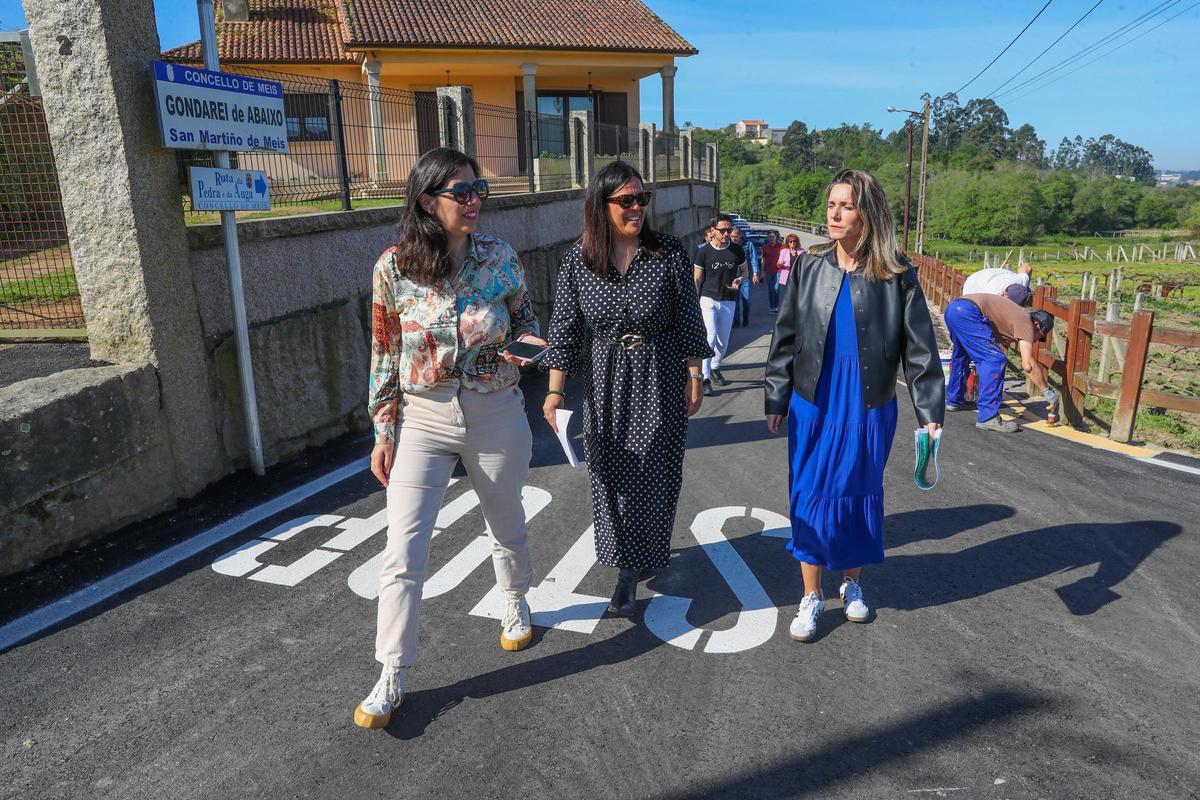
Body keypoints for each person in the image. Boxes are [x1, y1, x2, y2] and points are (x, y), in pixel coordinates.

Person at [356, 148, 547, 729]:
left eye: (478, 189)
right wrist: (383, 428)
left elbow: (530, 321)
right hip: (424, 415)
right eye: (460, 192)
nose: (474, 201)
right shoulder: (393, 268)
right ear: (426, 200)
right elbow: (384, 352)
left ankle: (514, 598)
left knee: (504, 520)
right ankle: (392, 668)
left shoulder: (500, 258)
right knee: (404, 549)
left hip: (495, 411)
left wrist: (529, 346)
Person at [764, 169, 944, 642]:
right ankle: (810, 595)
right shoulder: (808, 265)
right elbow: (786, 336)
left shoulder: (897, 274)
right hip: (813, 399)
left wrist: (930, 416)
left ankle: (852, 585)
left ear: (869, 213)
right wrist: (776, 394)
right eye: (831, 205)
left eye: (846, 205)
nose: (835, 214)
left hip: (868, 402)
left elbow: (920, 351)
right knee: (809, 491)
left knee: (858, 491)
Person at [542, 161, 712, 618]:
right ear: (601, 205)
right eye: (626, 200)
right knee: (610, 475)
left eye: (642, 199)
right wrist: (555, 392)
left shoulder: (669, 252)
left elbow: (689, 320)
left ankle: (633, 567)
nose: (637, 207)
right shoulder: (578, 260)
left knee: (655, 474)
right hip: (605, 381)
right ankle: (623, 560)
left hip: (660, 375)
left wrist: (694, 376)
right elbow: (565, 330)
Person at [944, 293, 1056, 432]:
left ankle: (954, 400)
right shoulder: (1026, 322)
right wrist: (1046, 391)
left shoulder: (1016, 315)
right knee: (994, 360)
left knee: (962, 356)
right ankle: (988, 417)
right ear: (1037, 325)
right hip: (968, 313)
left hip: (954, 309)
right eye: (1039, 337)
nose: (1035, 340)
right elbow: (1028, 365)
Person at [694, 214, 749, 396]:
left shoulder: (737, 250)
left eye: (729, 229)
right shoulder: (703, 251)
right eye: (722, 230)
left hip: (728, 299)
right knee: (710, 336)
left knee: (723, 341)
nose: (726, 233)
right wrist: (693, 300)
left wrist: (740, 280)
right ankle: (706, 378)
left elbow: (744, 271)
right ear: (713, 230)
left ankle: (716, 367)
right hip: (707, 299)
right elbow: (697, 277)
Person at [730, 225, 760, 328]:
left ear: (740, 235)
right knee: (735, 301)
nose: (734, 238)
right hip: (733, 277)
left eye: (736, 236)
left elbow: (753, 259)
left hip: (745, 277)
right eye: (732, 236)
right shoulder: (728, 245)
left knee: (746, 300)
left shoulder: (748, 244)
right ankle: (736, 320)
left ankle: (746, 317)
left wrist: (755, 273)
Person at [962, 260, 1032, 296]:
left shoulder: (1020, 281)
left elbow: (1027, 266)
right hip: (973, 282)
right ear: (1005, 294)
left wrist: (1026, 288)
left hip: (984, 277)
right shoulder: (993, 294)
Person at [760, 230, 784, 313]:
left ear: (776, 237)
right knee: (771, 289)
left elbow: (786, 257)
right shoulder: (765, 248)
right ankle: (772, 307)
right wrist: (762, 272)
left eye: (773, 237)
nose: (772, 238)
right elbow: (763, 260)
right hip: (769, 271)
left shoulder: (781, 246)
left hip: (779, 271)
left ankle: (776, 306)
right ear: (768, 238)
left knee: (777, 288)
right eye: (770, 237)